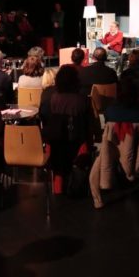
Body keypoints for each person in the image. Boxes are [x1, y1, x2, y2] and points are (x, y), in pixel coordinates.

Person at [39, 64, 92, 195]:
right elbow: (88, 124)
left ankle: (58, 186)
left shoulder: (51, 99)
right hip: (77, 142)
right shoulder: (82, 100)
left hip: (57, 143)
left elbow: (45, 120)